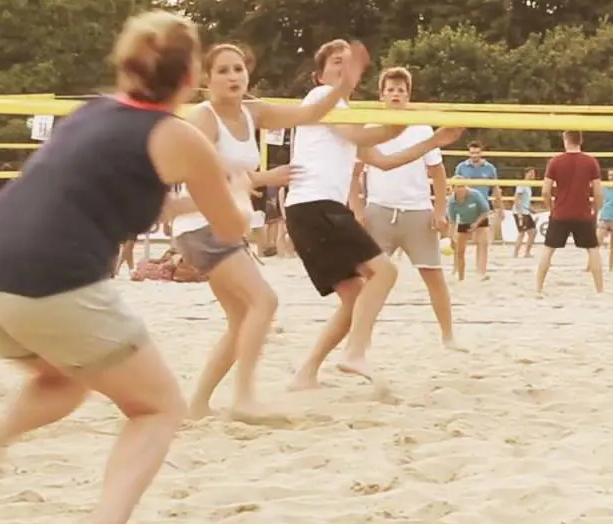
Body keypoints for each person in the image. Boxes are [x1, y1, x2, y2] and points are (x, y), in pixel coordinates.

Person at [0, 11, 250, 523]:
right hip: (53, 279)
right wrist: (238, 188)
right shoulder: (179, 136)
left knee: (65, 379)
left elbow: (139, 199)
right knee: (158, 407)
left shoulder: (89, 113)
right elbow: (233, 227)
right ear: (191, 79)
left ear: (126, 65)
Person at [171, 41, 370, 418]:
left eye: (239, 69)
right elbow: (193, 174)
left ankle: (196, 405)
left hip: (222, 226)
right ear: (207, 78)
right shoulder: (204, 117)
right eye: (224, 70)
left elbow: (309, 113)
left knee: (241, 319)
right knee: (264, 302)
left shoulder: (253, 111)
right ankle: (244, 399)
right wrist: (257, 177)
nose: (234, 76)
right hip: (202, 225)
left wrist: (344, 86)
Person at [284, 49, 460, 388]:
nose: (344, 67)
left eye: (348, 63)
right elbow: (367, 137)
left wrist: (435, 140)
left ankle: (306, 372)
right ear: (320, 76)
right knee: (385, 272)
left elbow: (384, 160)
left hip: (311, 209)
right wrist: (401, 121)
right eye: (336, 62)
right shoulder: (323, 97)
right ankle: (355, 353)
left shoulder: (345, 114)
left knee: (355, 298)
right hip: (316, 205)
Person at [352, 66, 461, 355]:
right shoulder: (371, 126)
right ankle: (361, 341)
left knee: (433, 276)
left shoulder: (421, 129)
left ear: (408, 95)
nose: (396, 94)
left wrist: (440, 211)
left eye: (401, 90)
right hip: (379, 211)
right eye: (391, 89)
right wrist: (357, 208)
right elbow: (354, 173)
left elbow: (438, 174)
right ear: (381, 94)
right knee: (366, 279)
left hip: (417, 212)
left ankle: (448, 336)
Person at [535, 131, 604, 296]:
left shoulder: (555, 161)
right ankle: (599, 289)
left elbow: (545, 191)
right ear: (581, 140)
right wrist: (595, 210)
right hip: (583, 213)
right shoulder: (591, 161)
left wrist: (551, 207)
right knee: (593, 250)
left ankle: (538, 287)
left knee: (548, 249)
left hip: (560, 212)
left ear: (566, 140)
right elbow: (598, 192)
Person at [446, 184, 492, 281]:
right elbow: (453, 221)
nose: (462, 189)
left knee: (483, 243)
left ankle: (481, 272)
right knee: (459, 250)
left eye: (463, 186)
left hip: (480, 219)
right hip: (465, 221)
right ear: (454, 189)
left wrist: (476, 224)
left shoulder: (475, 195)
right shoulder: (451, 201)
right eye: (459, 186)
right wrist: (450, 237)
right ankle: (458, 272)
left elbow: (486, 211)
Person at [511, 170, 538, 257]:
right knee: (522, 233)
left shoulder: (528, 186)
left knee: (533, 232)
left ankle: (527, 253)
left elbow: (525, 201)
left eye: (534, 173)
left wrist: (531, 209)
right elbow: (517, 198)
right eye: (531, 173)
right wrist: (519, 214)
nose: (533, 175)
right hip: (520, 212)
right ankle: (515, 253)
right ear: (526, 174)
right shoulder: (522, 185)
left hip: (525, 211)